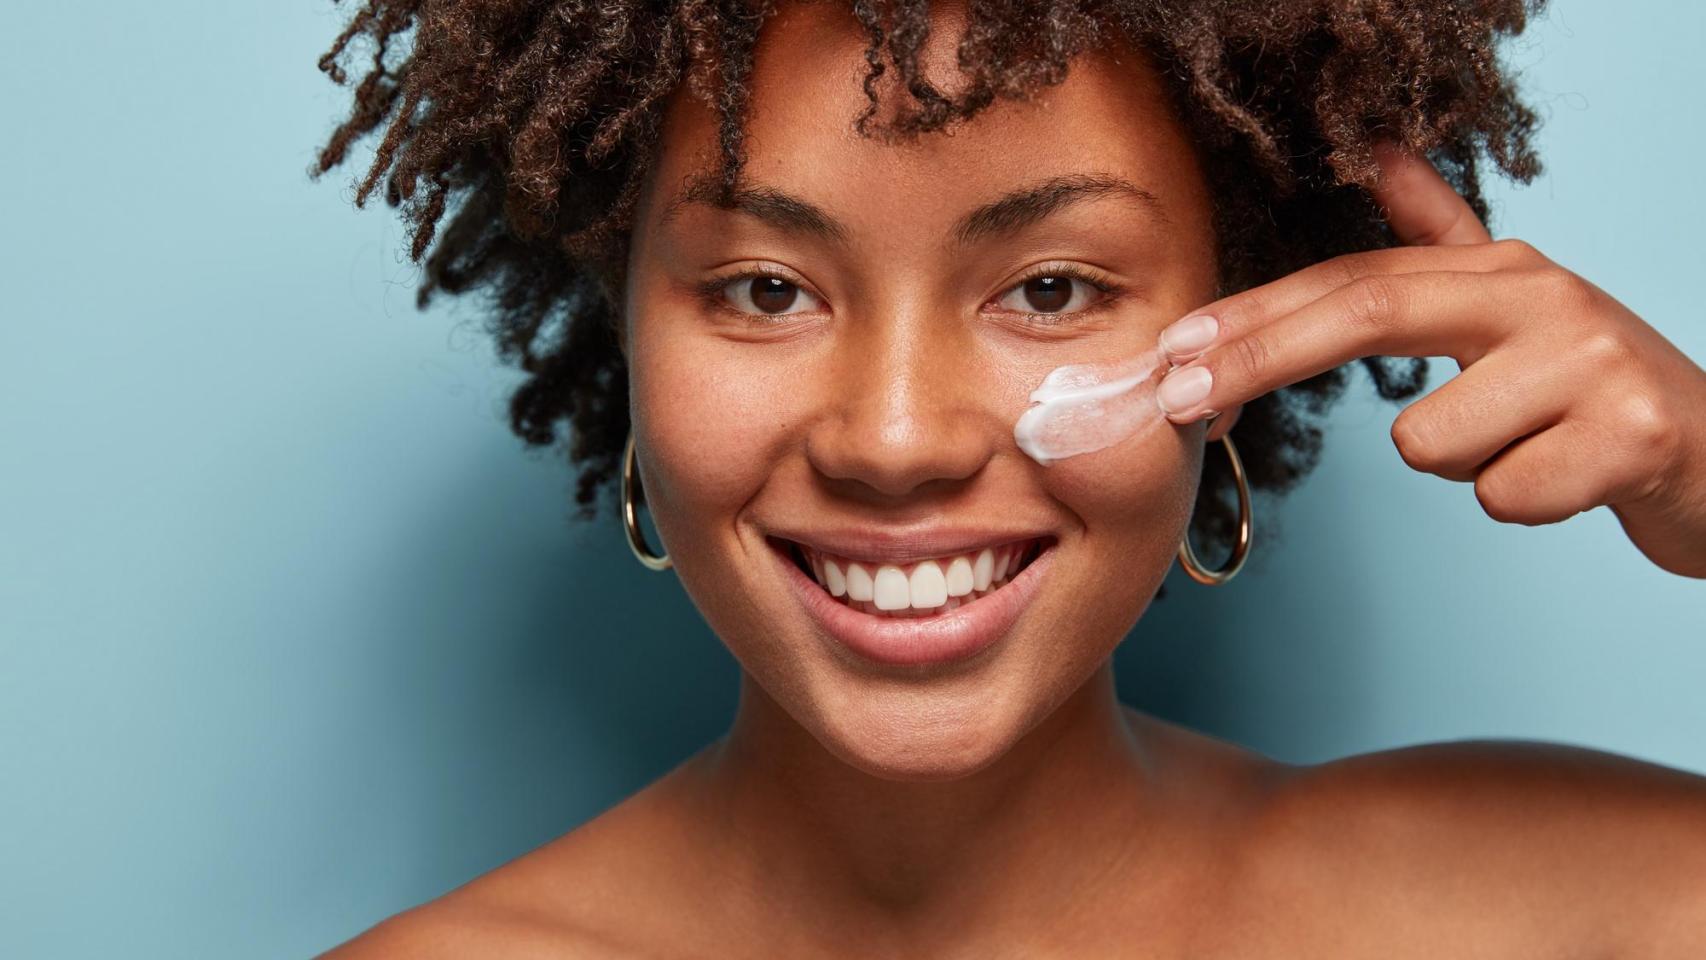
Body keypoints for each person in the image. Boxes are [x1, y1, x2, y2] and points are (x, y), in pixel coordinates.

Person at [313, 0, 1706, 954]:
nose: (895, 439)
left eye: (1047, 287)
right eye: (762, 288)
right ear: (621, 332)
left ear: (1248, 321)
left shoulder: (1591, 913)